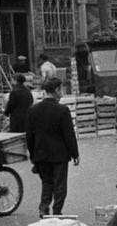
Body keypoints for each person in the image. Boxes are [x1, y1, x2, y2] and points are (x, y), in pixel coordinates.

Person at [25, 78, 79, 218]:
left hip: (41, 154)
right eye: (60, 90)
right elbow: (69, 134)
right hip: (59, 154)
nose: (61, 94)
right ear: (56, 90)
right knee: (60, 184)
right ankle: (57, 211)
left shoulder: (33, 110)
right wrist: (75, 154)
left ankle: (43, 209)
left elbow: (29, 136)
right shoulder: (62, 110)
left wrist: (33, 155)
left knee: (46, 182)